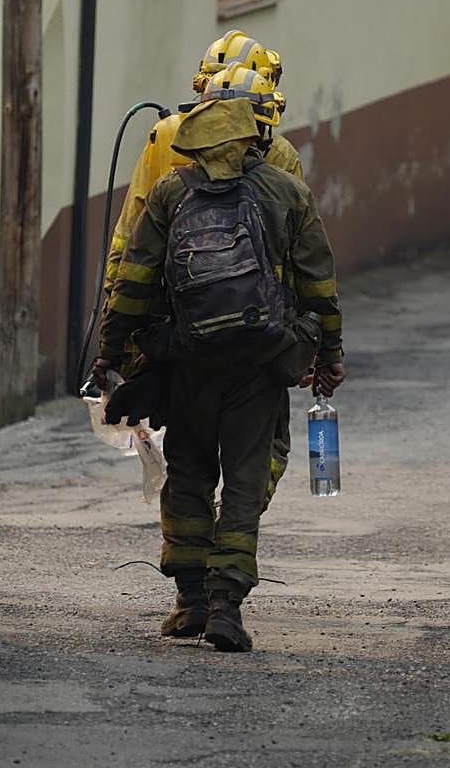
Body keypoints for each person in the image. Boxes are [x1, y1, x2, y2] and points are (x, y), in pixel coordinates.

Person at [95, 95, 344, 652]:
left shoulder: (170, 192)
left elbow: (133, 282)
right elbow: (318, 283)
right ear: (251, 140)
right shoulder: (286, 192)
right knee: (246, 481)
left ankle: (190, 602)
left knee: (186, 476)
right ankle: (227, 606)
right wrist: (329, 354)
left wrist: (109, 353)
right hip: (258, 365)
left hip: (186, 363)